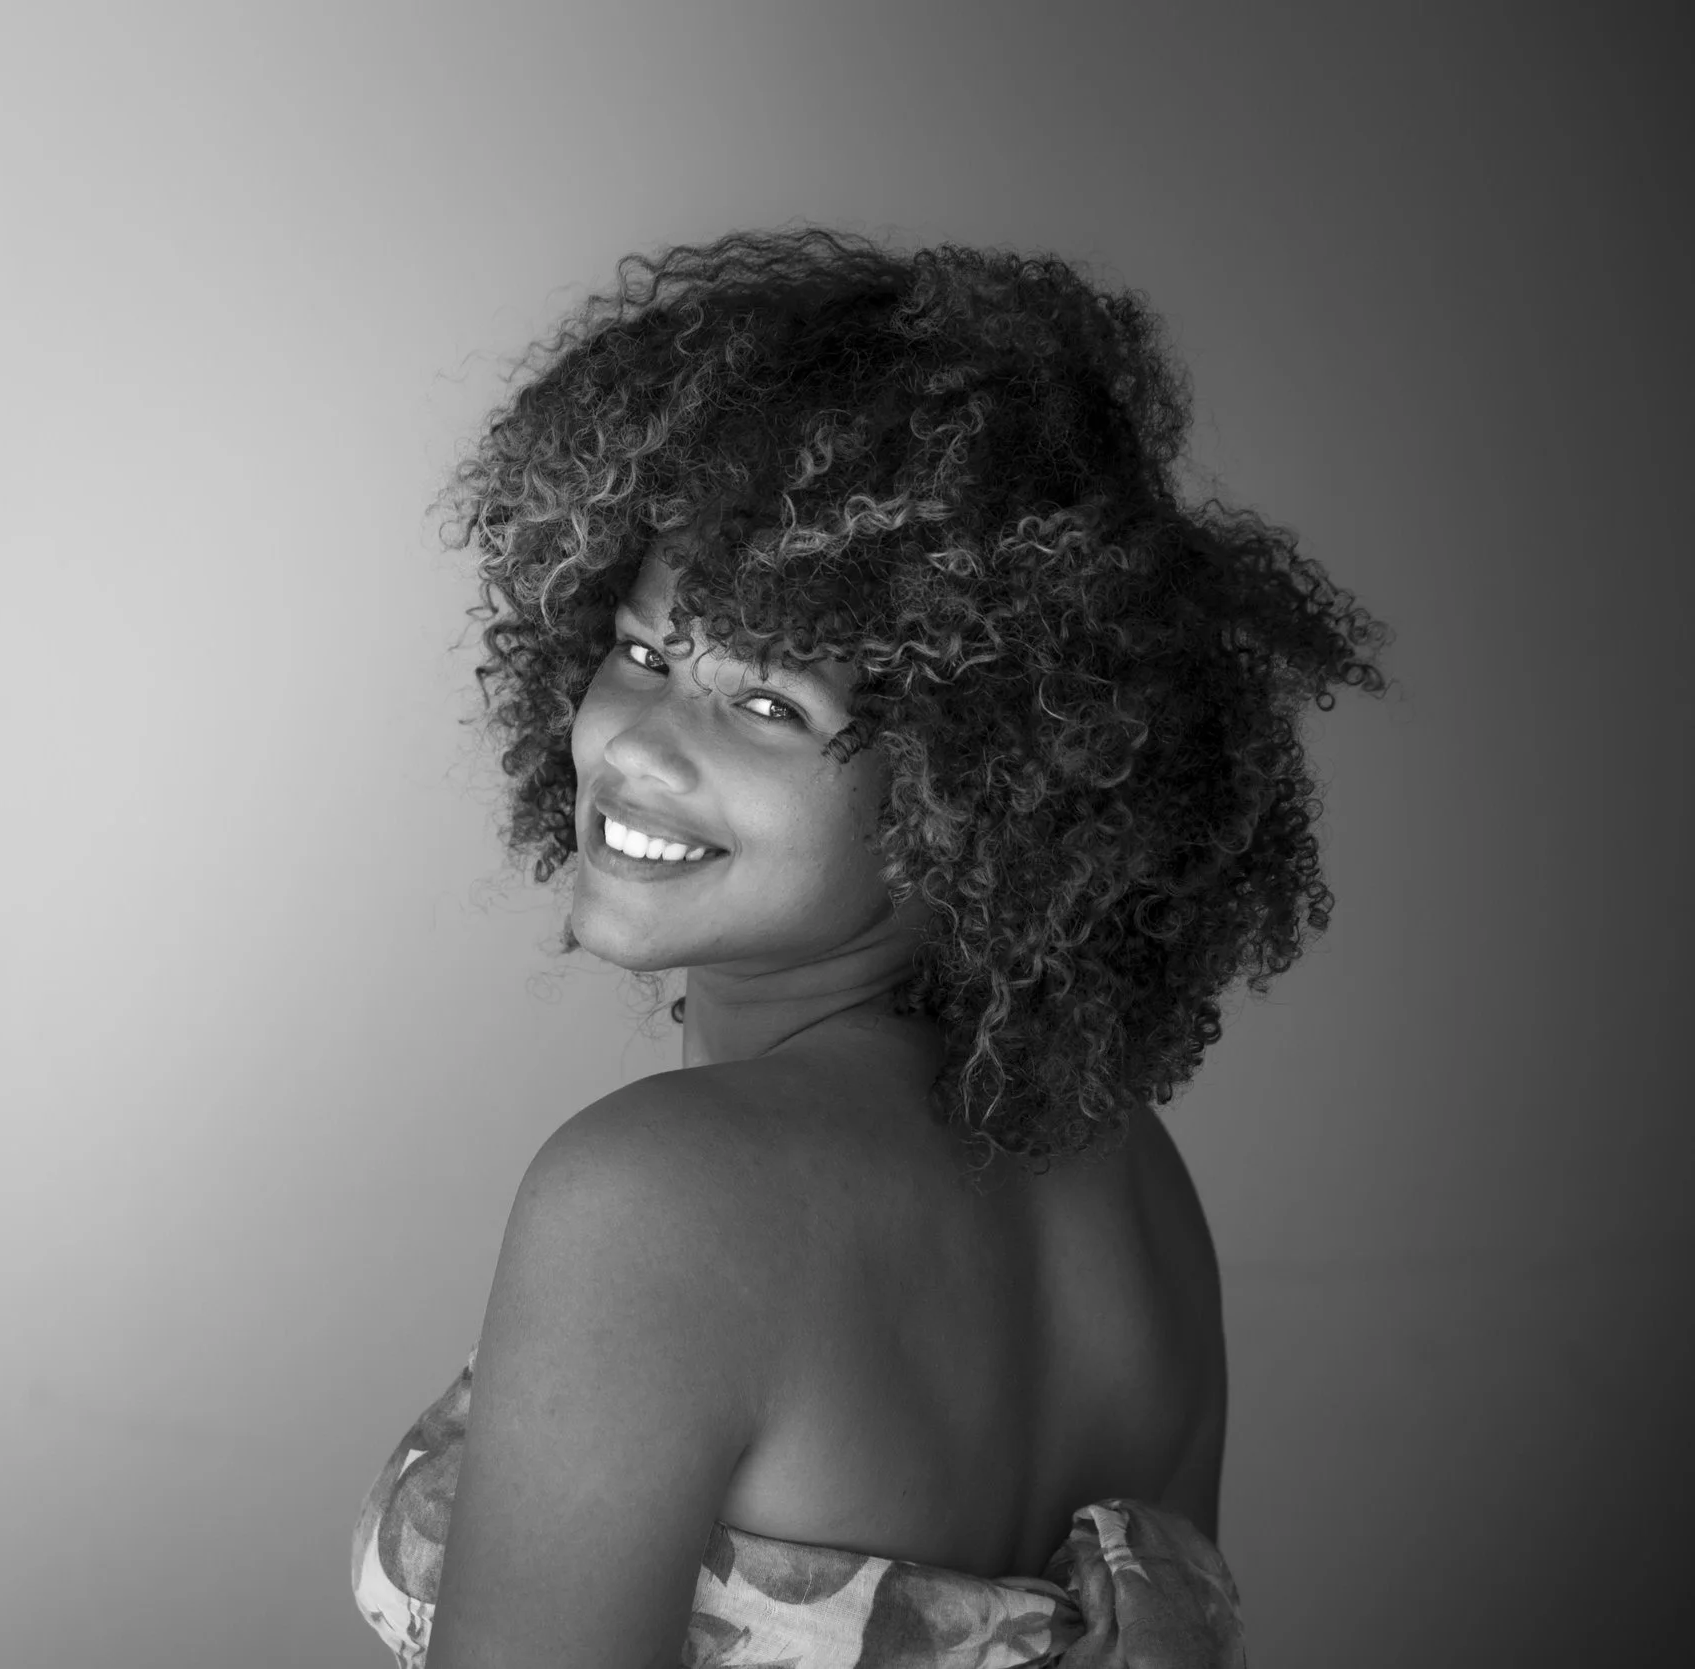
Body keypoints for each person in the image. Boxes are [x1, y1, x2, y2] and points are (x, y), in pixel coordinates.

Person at [348, 229, 1387, 1668]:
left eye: (769, 706)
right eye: (644, 654)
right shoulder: (1136, 1186)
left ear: (982, 792)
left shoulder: (651, 1196)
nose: (639, 744)